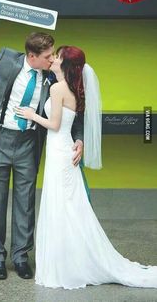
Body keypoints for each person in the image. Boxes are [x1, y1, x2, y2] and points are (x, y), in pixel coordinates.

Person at [15, 46, 157, 289]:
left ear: (66, 65)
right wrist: (78, 140)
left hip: (60, 154)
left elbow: (55, 123)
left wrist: (31, 115)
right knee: (69, 206)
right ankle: (73, 260)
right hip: (64, 151)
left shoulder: (58, 88)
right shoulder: (72, 88)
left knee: (62, 206)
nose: (53, 59)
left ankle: (65, 266)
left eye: (57, 57)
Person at [0, 5, 85, 280]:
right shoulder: (5, 59)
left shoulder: (54, 75)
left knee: (25, 202)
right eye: (47, 55)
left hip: (29, 142)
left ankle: (20, 257)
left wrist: (79, 138)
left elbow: (71, 108)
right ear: (32, 56)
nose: (53, 59)